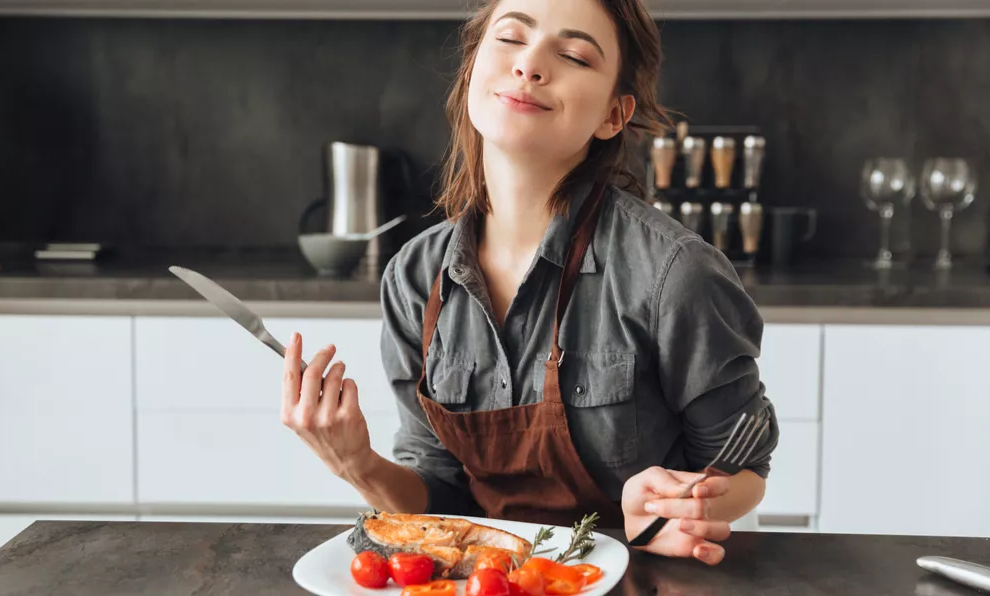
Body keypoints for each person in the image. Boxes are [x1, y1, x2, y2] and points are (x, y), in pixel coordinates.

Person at [281, 0, 779, 566]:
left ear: (613, 115)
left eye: (572, 55)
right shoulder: (416, 278)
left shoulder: (675, 273)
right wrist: (356, 464)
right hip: (487, 579)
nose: (530, 65)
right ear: (472, 68)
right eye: (511, 38)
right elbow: (438, 498)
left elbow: (743, 471)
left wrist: (675, 508)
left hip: (641, 573)